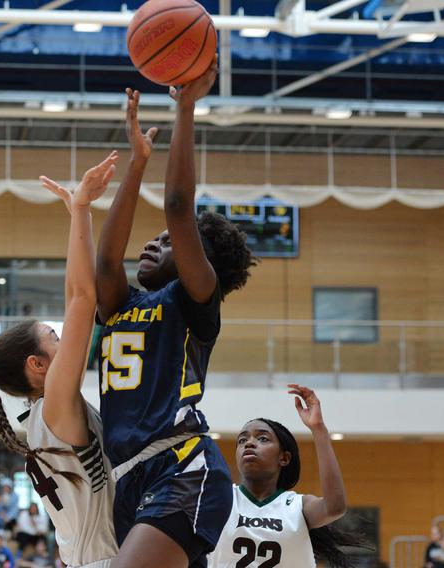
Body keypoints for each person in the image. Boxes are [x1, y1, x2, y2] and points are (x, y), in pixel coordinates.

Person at [94, 68, 256, 568]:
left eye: (167, 241)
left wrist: (185, 108)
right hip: (129, 477)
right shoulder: (123, 306)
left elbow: (180, 205)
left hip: (182, 466)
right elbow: (103, 262)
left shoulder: (195, 299)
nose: (153, 242)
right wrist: (136, 164)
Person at [0, 151, 120, 568]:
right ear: (37, 365)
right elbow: (81, 297)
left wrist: (79, 212)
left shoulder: (41, 418)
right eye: (53, 337)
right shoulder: (55, 401)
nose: (63, 337)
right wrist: (81, 210)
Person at [209, 385, 361, 568]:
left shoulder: (297, 506)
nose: (249, 443)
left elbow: (335, 507)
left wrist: (318, 429)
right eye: (242, 440)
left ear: (284, 458)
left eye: (262, 438)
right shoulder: (220, 498)